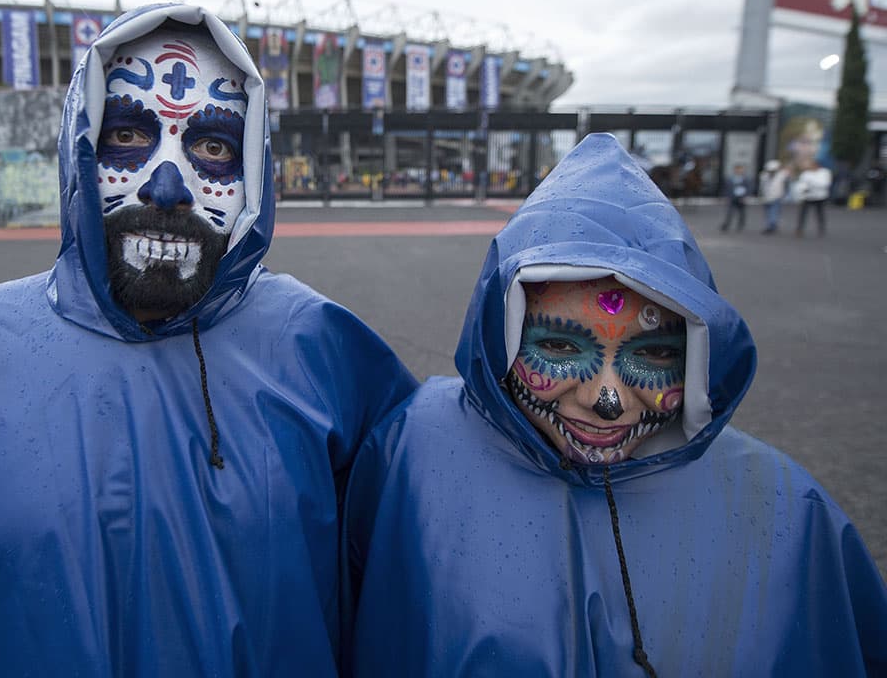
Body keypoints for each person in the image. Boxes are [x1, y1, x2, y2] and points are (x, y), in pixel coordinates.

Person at [0, 4, 417, 676]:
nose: (167, 185)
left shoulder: (318, 346)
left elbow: (424, 566)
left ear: (251, 177)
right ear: (80, 149)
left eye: (211, 147)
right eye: (129, 136)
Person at [343, 133, 886, 677]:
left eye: (651, 354)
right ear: (502, 336)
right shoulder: (410, 450)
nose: (605, 400)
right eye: (559, 346)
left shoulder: (787, 510)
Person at [794, 155, 832, 237]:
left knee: (820, 213)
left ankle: (821, 228)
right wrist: (802, 189)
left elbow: (825, 184)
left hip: (820, 196)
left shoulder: (824, 172)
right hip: (808, 196)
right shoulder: (806, 173)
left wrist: (811, 184)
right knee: (803, 214)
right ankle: (799, 229)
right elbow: (801, 184)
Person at [718, 162, 753, 232]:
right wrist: (725, 196)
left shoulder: (746, 179)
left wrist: (746, 196)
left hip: (741, 198)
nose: (739, 171)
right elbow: (726, 188)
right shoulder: (730, 178)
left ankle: (740, 225)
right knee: (729, 212)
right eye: (737, 169)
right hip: (732, 198)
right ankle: (726, 225)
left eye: (740, 169)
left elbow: (749, 188)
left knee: (742, 213)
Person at [758, 158, 789, 234]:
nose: (771, 172)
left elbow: (786, 185)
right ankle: (772, 225)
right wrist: (760, 194)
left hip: (777, 196)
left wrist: (785, 194)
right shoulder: (764, 175)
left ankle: (771, 226)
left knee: (774, 211)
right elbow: (762, 186)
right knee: (768, 212)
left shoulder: (782, 175)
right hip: (766, 196)